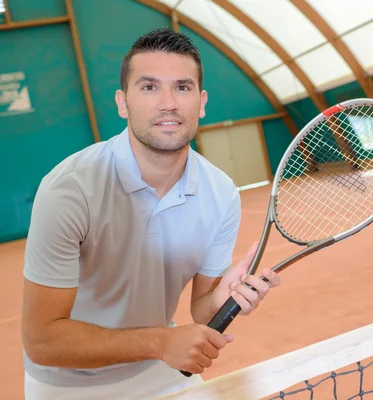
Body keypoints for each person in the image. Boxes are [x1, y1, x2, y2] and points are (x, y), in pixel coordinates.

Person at [20, 28, 280, 399]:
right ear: (122, 102)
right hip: (67, 384)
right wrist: (162, 342)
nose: (168, 103)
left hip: (160, 369)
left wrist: (227, 295)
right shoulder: (69, 189)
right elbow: (42, 341)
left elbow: (203, 312)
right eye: (149, 87)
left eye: (183, 87)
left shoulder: (221, 193)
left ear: (202, 102)